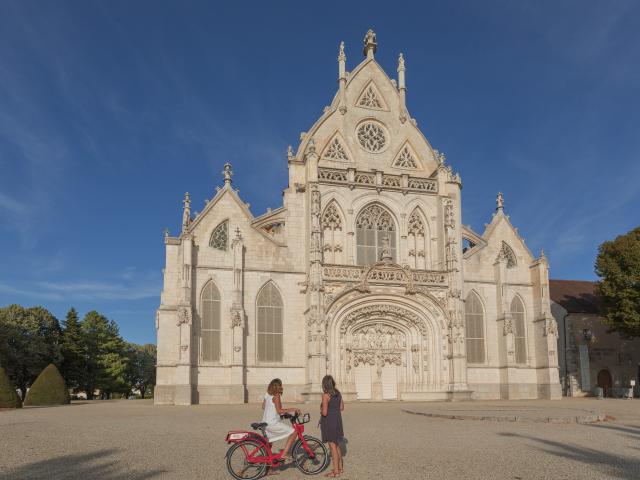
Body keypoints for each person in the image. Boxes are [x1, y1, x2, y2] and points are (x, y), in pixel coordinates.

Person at [262, 378, 300, 471]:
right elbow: (279, 411)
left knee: (268, 445)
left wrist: (281, 414)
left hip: (265, 422)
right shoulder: (277, 395)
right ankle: (285, 453)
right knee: (294, 432)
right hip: (272, 423)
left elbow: (263, 406)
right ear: (278, 386)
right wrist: (292, 409)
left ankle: (268, 469)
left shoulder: (267, 394)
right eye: (281, 385)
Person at [320, 375, 344, 478]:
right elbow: (342, 407)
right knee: (336, 444)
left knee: (332, 446)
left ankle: (336, 472)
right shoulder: (338, 393)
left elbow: (324, 413)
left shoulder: (326, 395)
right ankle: (340, 468)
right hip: (338, 420)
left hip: (329, 421)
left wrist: (320, 410)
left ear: (324, 384)